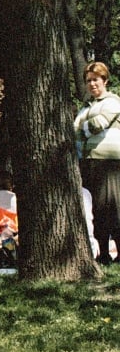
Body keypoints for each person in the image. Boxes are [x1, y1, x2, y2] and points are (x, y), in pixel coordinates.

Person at [74, 61, 120, 264]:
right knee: (96, 211)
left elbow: (96, 125)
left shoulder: (112, 102)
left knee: (113, 209)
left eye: (96, 80)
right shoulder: (86, 107)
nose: (92, 84)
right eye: (88, 81)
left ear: (105, 80)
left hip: (109, 163)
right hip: (89, 162)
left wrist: (81, 128)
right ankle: (103, 253)